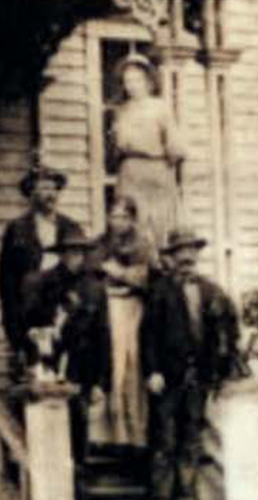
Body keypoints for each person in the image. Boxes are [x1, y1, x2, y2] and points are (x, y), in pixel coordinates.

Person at [141, 228, 242, 500]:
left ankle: (187, 494)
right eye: (180, 252)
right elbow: (148, 334)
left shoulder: (211, 291)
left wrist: (221, 371)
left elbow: (228, 330)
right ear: (171, 257)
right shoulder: (160, 291)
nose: (186, 257)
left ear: (196, 255)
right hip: (167, 379)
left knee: (191, 440)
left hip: (198, 378)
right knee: (164, 442)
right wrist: (152, 371)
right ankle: (161, 496)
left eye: (190, 251)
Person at [0, 165, 85, 380]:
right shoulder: (17, 229)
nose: (50, 194)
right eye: (44, 188)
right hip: (30, 314)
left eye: (54, 188)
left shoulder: (72, 228)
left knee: (66, 373)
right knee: (32, 376)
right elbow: (6, 280)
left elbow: (82, 271)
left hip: (63, 311)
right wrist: (15, 326)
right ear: (31, 193)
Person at [36, 231, 111, 463]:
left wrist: (101, 382)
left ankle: (78, 478)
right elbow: (35, 322)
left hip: (83, 364)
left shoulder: (94, 288)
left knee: (79, 421)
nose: (74, 258)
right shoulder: (47, 283)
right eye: (69, 252)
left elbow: (103, 335)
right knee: (51, 421)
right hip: (51, 362)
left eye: (79, 253)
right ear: (61, 255)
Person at [110, 55, 182, 258]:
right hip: (130, 171)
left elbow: (175, 146)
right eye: (127, 81)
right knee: (130, 220)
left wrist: (163, 169)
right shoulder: (121, 111)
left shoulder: (160, 107)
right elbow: (116, 147)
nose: (131, 86)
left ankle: (158, 265)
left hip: (155, 169)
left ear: (148, 82)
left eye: (137, 80)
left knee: (157, 222)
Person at [98, 195, 153, 449]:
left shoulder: (142, 243)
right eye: (113, 216)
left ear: (132, 219)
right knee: (113, 364)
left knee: (132, 363)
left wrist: (118, 273)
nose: (116, 222)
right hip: (109, 306)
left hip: (132, 307)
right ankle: (114, 433)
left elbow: (145, 278)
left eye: (122, 216)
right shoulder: (102, 242)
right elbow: (96, 269)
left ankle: (135, 433)